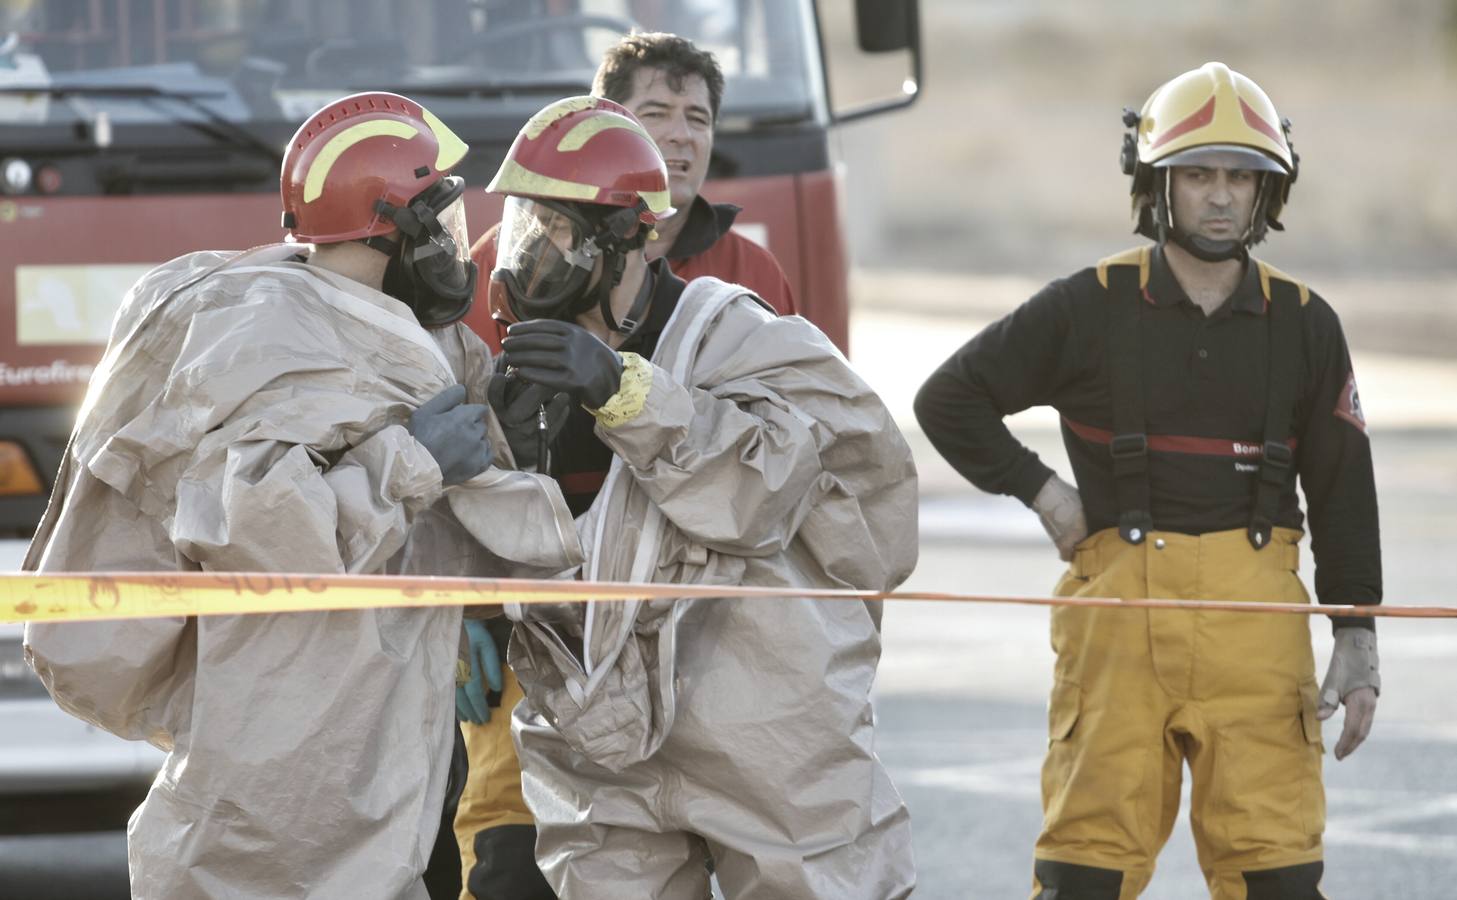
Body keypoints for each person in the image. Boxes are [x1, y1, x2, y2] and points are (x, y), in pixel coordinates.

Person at [22, 92, 582, 900]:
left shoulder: (396, 329)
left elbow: (422, 528)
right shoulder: (270, 334)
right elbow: (244, 524)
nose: (459, 249)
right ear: (397, 223)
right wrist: (411, 461)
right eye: (444, 220)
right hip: (287, 748)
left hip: (385, 729)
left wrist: (506, 451)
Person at [914, 62, 1381, 899]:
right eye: (1196, 173)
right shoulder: (1086, 306)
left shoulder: (1306, 323)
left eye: (1241, 177)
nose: (1218, 197)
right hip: (1115, 625)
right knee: (1081, 877)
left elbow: (1343, 487)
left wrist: (1357, 635)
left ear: (1268, 192)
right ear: (1155, 183)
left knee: (1279, 879)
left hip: (1257, 631)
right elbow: (948, 399)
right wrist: (1044, 493)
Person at [479, 94, 917, 900]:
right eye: (529, 229)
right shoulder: (521, 372)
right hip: (600, 738)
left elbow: (764, 497)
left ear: (635, 240)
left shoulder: (743, 339)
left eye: (567, 235)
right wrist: (491, 472)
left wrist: (624, 394)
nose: (537, 261)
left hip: (767, 728)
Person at [451, 32, 795, 899]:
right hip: (538, 617)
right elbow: (465, 443)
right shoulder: (508, 259)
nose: (679, 138)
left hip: (706, 641)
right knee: (510, 858)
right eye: (655, 115)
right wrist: (463, 609)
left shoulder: (748, 279)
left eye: (697, 118)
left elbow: (791, 459)